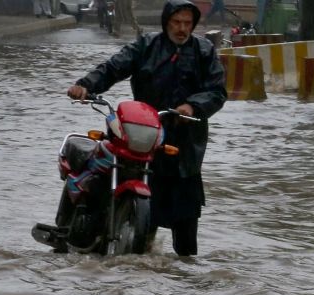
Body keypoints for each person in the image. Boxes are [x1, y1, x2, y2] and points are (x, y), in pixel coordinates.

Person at [67, 0, 227, 256]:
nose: (182, 28)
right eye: (176, 22)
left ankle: (185, 275)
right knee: (121, 187)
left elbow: (217, 91)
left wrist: (193, 107)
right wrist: (86, 85)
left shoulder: (204, 51)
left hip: (184, 144)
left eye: (187, 23)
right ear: (166, 22)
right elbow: (113, 67)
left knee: (186, 220)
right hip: (142, 135)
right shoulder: (146, 45)